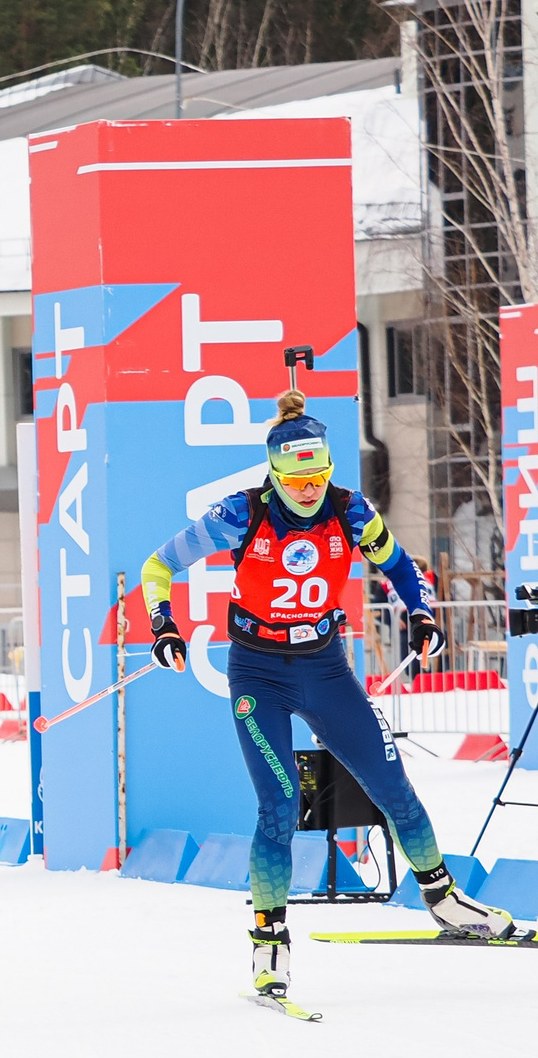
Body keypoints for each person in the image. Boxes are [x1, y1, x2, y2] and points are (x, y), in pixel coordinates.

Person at [141, 387, 519, 1000]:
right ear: (275, 472)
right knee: (280, 806)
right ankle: (269, 942)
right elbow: (158, 566)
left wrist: (421, 615)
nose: (310, 488)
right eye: (298, 478)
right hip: (257, 675)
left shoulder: (350, 511)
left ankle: (445, 901)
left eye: (318, 474)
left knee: (392, 783)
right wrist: (163, 624)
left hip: (325, 668)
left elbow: (401, 568)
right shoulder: (240, 514)